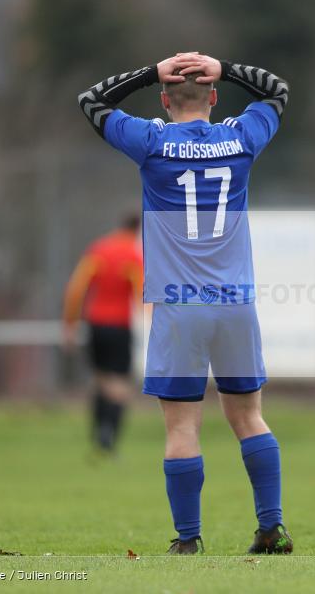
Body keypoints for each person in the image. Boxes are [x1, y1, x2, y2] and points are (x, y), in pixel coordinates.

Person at [77, 52, 292, 555]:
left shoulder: (151, 142)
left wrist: (151, 70)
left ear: (163, 99)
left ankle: (189, 540)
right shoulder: (241, 137)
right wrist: (229, 67)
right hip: (235, 303)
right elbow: (277, 91)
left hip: (177, 306)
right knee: (249, 417)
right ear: (214, 96)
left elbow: (91, 101)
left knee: (180, 427)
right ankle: (271, 527)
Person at [63, 213, 143, 456]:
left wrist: (70, 323)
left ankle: (97, 433)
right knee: (119, 384)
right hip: (120, 326)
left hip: (95, 324)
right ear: (137, 228)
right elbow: (142, 293)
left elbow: (77, 289)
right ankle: (109, 435)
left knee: (100, 379)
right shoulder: (133, 255)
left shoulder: (99, 250)